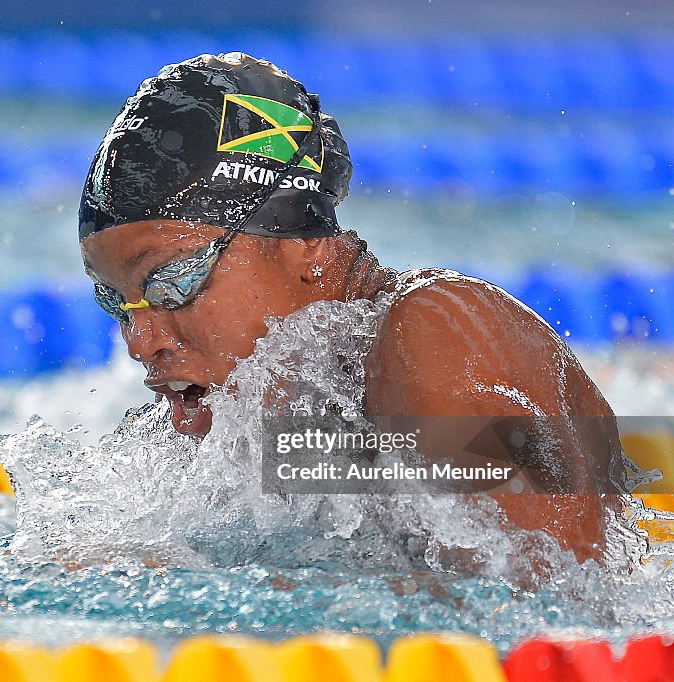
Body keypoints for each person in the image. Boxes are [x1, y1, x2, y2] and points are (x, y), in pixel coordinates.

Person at [77, 52, 625, 563]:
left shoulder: (433, 335)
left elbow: (549, 606)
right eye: (116, 300)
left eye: (173, 280)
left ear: (305, 245)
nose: (139, 340)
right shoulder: (283, 416)